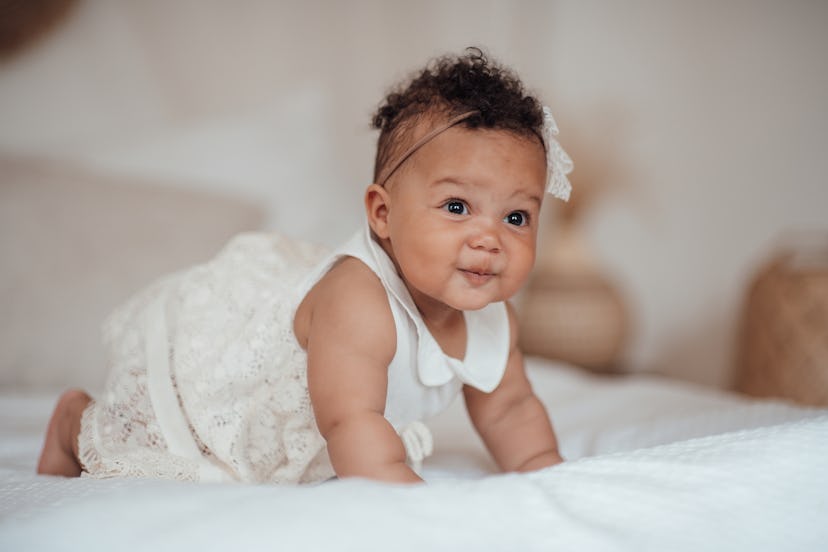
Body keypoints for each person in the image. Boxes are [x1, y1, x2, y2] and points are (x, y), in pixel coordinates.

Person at [37, 48, 573, 485]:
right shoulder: (359, 300)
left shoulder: (494, 322)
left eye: (517, 216)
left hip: (338, 435)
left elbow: (510, 410)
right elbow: (352, 422)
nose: (489, 238)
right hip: (255, 397)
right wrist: (413, 503)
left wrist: (544, 474)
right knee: (164, 443)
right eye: (457, 207)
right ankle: (73, 421)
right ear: (382, 214)